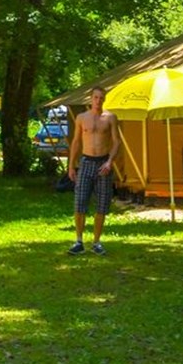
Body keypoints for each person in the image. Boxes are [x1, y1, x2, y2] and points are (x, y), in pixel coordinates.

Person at [66, 86, 118, 254]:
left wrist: (110, 162)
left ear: (104, 99)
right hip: (86, 161)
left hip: (103, 163)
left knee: (102, 204)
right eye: (95, 97)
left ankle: (96, 242)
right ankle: (79, 241)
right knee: (80, 202)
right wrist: (71, 166)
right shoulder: (82, 118)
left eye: (101, 98)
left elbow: (116, 142)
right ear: (91, 98)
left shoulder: (110, 117)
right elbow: (76, 142)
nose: (98, 101)